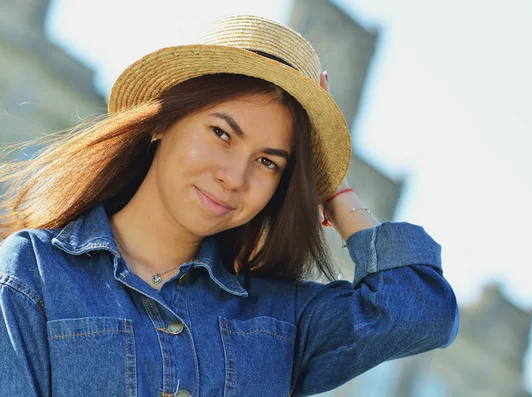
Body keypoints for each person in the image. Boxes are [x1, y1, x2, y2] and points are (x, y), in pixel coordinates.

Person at [0, 15, 458, 397]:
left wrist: (334, 190)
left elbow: (420, 311)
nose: (234, 178)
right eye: (222, 133)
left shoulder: (282, 318)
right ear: (162, 121)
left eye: (268, 162)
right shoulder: (36, 272)